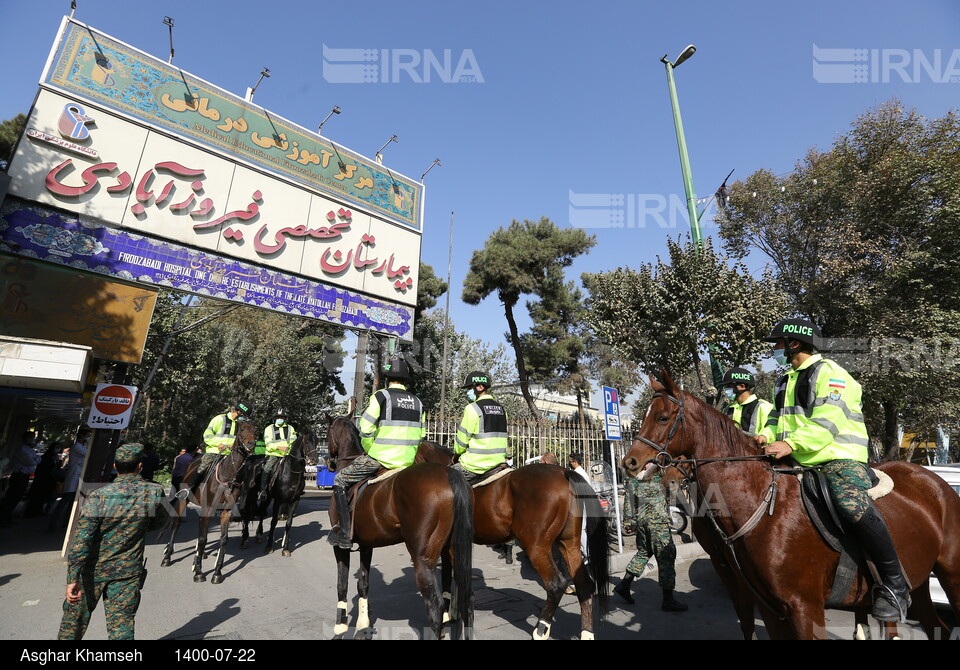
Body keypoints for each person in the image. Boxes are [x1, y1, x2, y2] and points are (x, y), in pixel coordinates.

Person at [756, 317, 909, 623]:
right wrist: (765, 436)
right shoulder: (784, 380)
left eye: (777, 343)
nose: (774, 349)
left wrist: (789, 444)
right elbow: (775, 421)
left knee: (847, 500)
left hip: (838, 458)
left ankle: (895, 584)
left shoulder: (832, 374)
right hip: (800, 457)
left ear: (794, 343)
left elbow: (827, 422)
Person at [57, 443, 169, 640]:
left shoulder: (99, 496)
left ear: (115, 466)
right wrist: (136, 526)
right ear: (140, 466)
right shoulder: (153, 492)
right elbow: (160, 522)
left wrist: (72, 579)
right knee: (121, 628)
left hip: (91, 572)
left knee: (72, 627)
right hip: (127, 573)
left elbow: (81, 541)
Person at [327, 357, 424, 549]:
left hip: (381, 459)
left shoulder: (381, 396)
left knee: (340, 479)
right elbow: (421, 435)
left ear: (388, 378)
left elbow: (365, 429)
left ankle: (344, 532)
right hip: (408, 462)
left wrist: (370, 450)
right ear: (405, 379)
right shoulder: (417, 402)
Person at [613, 461, 688, 612]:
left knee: (643, 553)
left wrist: (628, 522)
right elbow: (673, 490)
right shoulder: (660, 477)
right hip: (658, 524)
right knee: (666, 556)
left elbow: (628, 502)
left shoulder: (633, 479)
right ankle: (668, 600)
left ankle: (624, 585)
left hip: (642, 524)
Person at [180, 401, 251, 496]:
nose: (245, 418)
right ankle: (188, 489)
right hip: (215, 451)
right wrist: (218, 444)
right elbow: (207, 435)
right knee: (203, 467)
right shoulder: (220, 419)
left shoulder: (239, 425)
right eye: (245, 415)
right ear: (240, 412)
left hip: (230, 454)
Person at [452, 372, 508, 484]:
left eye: (470, 388)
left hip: (475, 465)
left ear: (480, 387)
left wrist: (456, 454)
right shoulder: (502, 409)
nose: (468, 392)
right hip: (498, 464)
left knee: (445, 478)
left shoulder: (472, 408)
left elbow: (461, 444)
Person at [49, 428, 90, 532]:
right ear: (81, 436)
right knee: (65, 501)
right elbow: (88, 454)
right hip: (73, 476)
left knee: (72, 502)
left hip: (78, 476)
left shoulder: (82, 446)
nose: (88, 438)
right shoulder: (77, 447)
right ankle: (54, 523)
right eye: (87, 435)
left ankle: (66, 523)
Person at [0, 430, 41, 526]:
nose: (33, 439)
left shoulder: (30, 449)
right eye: (31, 437)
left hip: (24, 476)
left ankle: (7, 517)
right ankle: (3, 518)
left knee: (17, 498)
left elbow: (37, 459)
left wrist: (35, 459)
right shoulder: (22, 449)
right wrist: (35, 459)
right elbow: (31, 462)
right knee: (12, 497)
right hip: (19, 476)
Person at [258, 409, 298, 504]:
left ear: (285, 418)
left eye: (281, 417)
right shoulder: (269, 429)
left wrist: (288, 449)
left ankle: (298, 487)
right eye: (278, 417)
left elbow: (294, 441)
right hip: (274, 454)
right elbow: (268, 443)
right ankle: (262, 490)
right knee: (267, 469)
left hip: (287, 455)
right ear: (275, 418)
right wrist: (279, 447)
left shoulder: (290, 428)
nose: (279, 419)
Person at [720, 367, 773, 437]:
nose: (726, 390)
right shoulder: (727, 409)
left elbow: (769, 434)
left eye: (729, 386)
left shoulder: (763, 407)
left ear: (742, 386)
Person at [25, 440, 62, 518]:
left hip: (49, 480)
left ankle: (39, 511)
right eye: (57, 447)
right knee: (37, 497)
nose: (58, 449)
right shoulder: (47, 457)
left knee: (43, 497)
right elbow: (44, 468)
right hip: (42, 480)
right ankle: (32, 512)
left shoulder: (56, 457)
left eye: (59, 448)